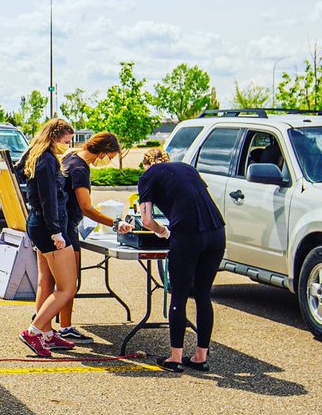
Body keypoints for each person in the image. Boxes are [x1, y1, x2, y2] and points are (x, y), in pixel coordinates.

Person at [135, 158, 225, 372]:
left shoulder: (147, 176)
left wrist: (163, 232)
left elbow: (146, 220)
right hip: (216, 231)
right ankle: (200, 356)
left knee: (179, 293)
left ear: (146, 165)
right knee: (203, 294)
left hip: (187, 233)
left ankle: (175, 358)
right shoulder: (187, 168)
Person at [54, 131, 124, 341]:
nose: (108, 162)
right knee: (69, 283)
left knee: (49, 281)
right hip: (67, 228)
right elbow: (86, 207)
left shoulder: (71, 157)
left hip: (58, 223)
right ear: (102, 151)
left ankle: (43, 326)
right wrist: (115, 223)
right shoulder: (80, 168)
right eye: (110, 157)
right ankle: (64, 327)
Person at [18, 118, 78, 357]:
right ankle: (34, 331)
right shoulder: (46, 160)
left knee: (47, 281)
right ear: (54, 137)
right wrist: (56, 232)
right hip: (49, 226)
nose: (68, 145)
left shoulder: (36, 156)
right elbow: (49, 199)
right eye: (66, 140)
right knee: (67, 288)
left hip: (40, 224)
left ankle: (46, 332)